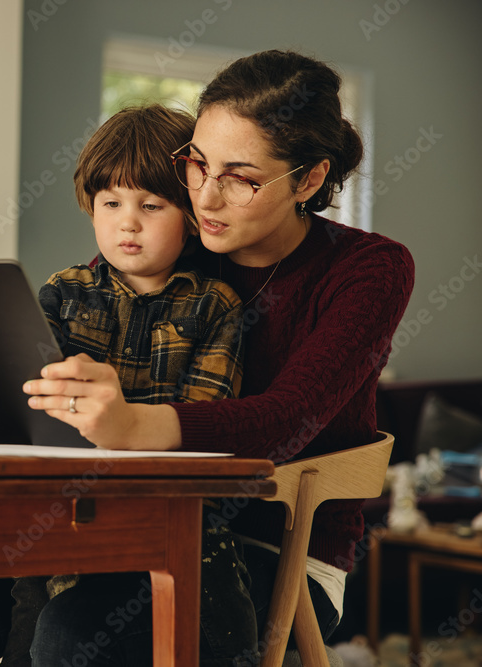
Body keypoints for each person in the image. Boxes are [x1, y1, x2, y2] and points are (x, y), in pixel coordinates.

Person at [21, 49, 415, 665]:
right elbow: (84, 317)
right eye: (197, 164)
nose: (206, 196)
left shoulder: (368, 269)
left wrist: (131, 424)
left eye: (241, 177)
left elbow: (288, 420)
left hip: (277, 551)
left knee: (74, 633)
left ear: (310, 179)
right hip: (133, 527)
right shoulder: (181, 242)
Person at [0, 104, 249, 667]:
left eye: (151, 205)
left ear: (190, 215)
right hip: (48, 522)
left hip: (157, 535)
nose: (128, 222)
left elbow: (200, 433)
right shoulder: (63, 293)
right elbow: (20, 400)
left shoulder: (216, 306)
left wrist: (120, 420)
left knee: (66, 632)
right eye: (110, 203)